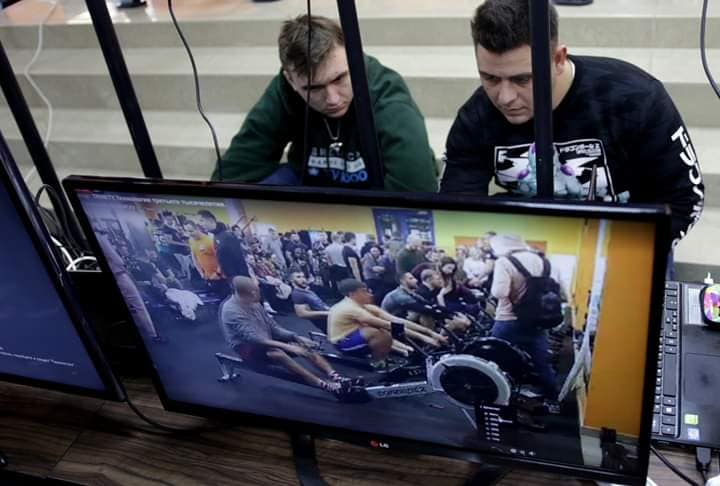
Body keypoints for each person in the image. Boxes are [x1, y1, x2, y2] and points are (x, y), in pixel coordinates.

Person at [441, 0, 703, 248]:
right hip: (524, 244)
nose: (505, 97)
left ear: (558, 59)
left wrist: (634, 257)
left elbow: (684, 199)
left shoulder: (634, 99)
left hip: (624, 241)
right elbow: (458, 208)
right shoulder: (476, 116)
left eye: (522, 79)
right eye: (490, 78)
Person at [213, 15, 438, 192]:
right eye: (314, 88)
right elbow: (235, 170)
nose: (332, 99)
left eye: (339, 79)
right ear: (290, 80)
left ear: (354, 58)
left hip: (374, 190)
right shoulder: (284, 90)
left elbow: (416, 186)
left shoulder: (384, 89)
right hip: (309, 184)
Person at [219, 276, 352, 398]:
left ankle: (335, 376)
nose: (261, 293)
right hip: (247, 347)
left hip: (265, 338)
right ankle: (323, 385)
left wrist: (296, 337)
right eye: (258, 291)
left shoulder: (254, 303)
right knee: (278, 353)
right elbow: (254, 338)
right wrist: (289, 347)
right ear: (252, 293)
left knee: (303, 346)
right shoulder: (231, 311)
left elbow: (274, 328)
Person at [488, 235, 559, 400]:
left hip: (508, 320)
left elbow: (500, 292)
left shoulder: (504, 262)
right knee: (542, 362)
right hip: (538, 320)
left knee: (496, 359)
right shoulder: (544, 261)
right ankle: (553, 398)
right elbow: (559, 289)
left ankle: (500, 398)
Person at [327, 279, 446, 365]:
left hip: (353, 337)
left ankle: (408, 351)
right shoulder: (350, 308)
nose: (370, 294)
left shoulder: (363, 306)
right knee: (378, 332)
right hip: (342, 344)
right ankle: (378, 363)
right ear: (352, 294)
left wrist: (430, 333)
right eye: (364, 291)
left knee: (383, 330)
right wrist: (424, 338)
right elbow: (387, 325)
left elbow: (395, 320)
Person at [197, 210, 250, 296]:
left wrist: (244, 281)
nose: (200, 224)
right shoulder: (215, 236)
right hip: (231, 279)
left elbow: (239, 259)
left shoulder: (227, 236)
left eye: (201, 220)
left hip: (240, 280)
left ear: (210, 220)